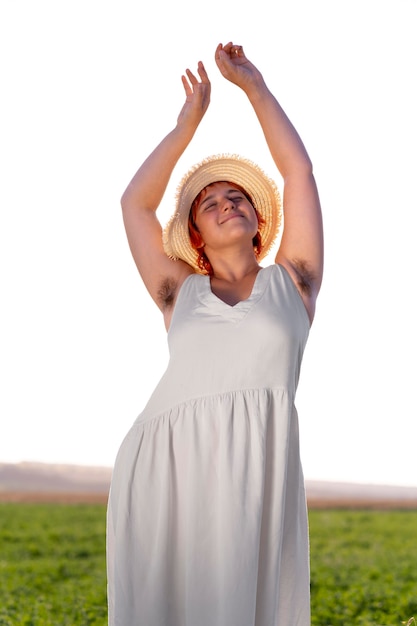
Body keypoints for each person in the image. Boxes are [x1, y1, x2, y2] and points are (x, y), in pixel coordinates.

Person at [107, 41, 323, 626]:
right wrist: (187, 126)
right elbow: (134, 205)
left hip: (257, 467)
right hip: (166, 470)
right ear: (196, 236)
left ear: (257, 220)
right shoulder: (181, 292)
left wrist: (255, 88)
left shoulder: (294, 281)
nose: (227, 203)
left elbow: (297, 171)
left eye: (237, 197)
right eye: (210, 203)